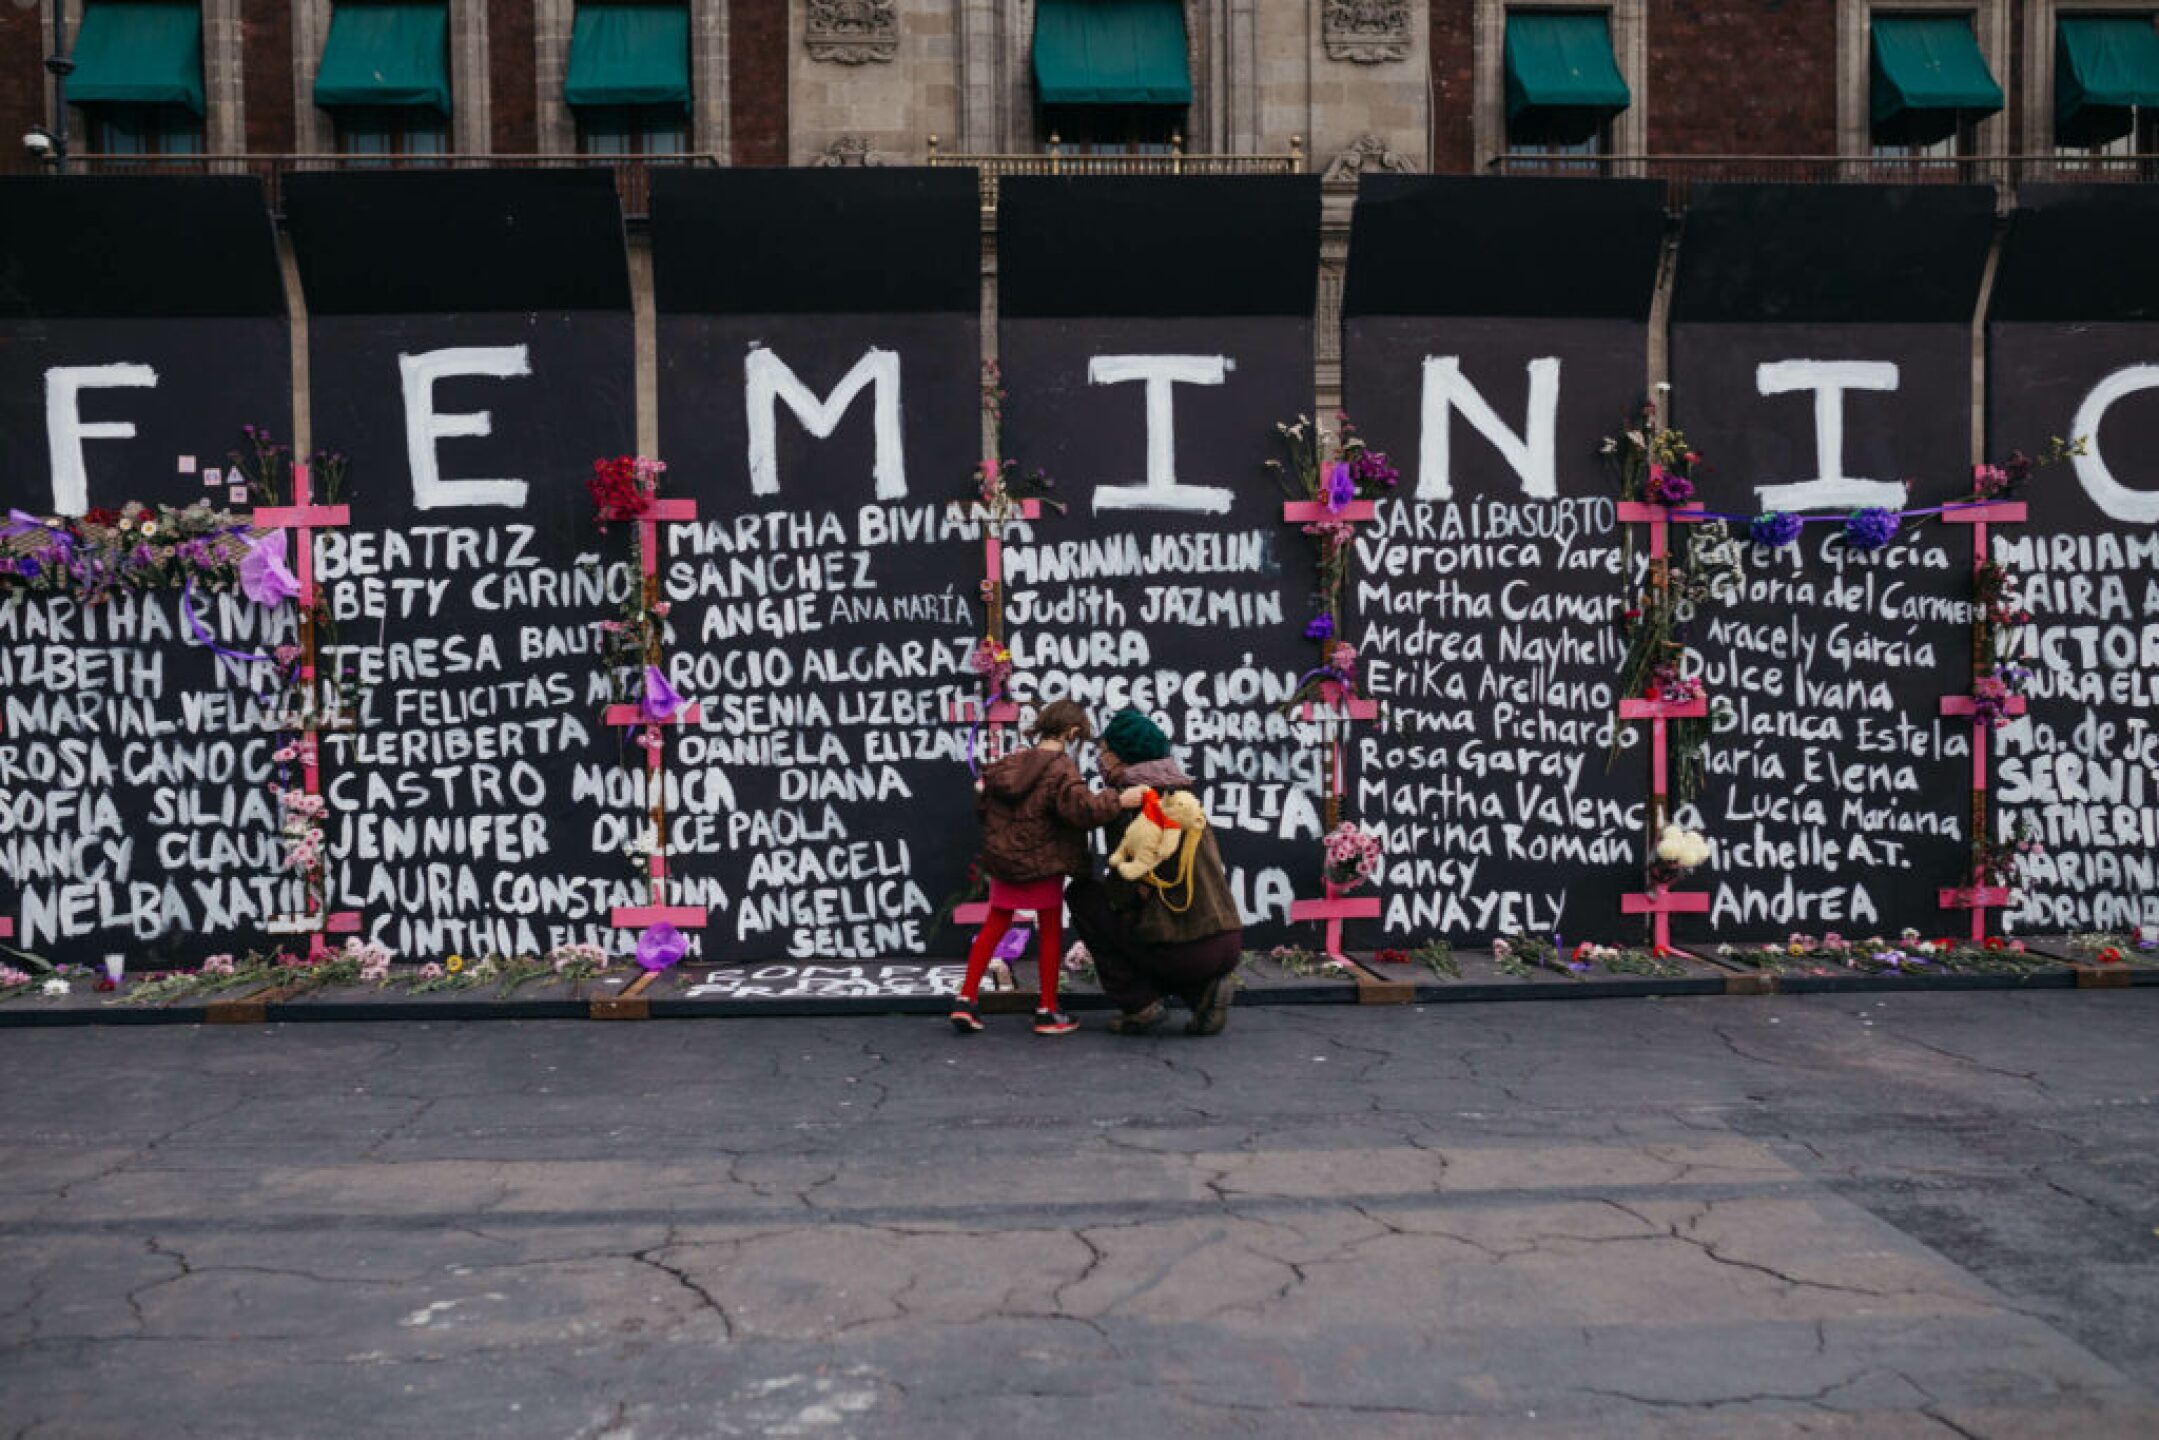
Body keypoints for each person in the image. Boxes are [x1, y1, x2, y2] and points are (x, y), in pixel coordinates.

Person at [950, 699, 1144, 1036]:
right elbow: (1082, 811)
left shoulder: (1010, 762)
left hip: (1005, 861)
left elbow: (984, 804)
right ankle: (1047, 1010)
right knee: (1051, 930)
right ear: (1071, 732)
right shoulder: (1062, 768)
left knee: (995, 924)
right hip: (1044, 862)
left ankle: (965, 1001)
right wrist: (1120, 799)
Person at [1067, 708, 1244, 1035]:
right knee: (1156, 919)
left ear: (1122, 757)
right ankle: (1202, 993)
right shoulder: (1184, 795)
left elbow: (1123, 893)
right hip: (1227, 939)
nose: (1101, 759)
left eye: (1105, 751)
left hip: (1183, 947)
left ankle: (1139, 1004)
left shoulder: (1131, 804)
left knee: (1086, 898)